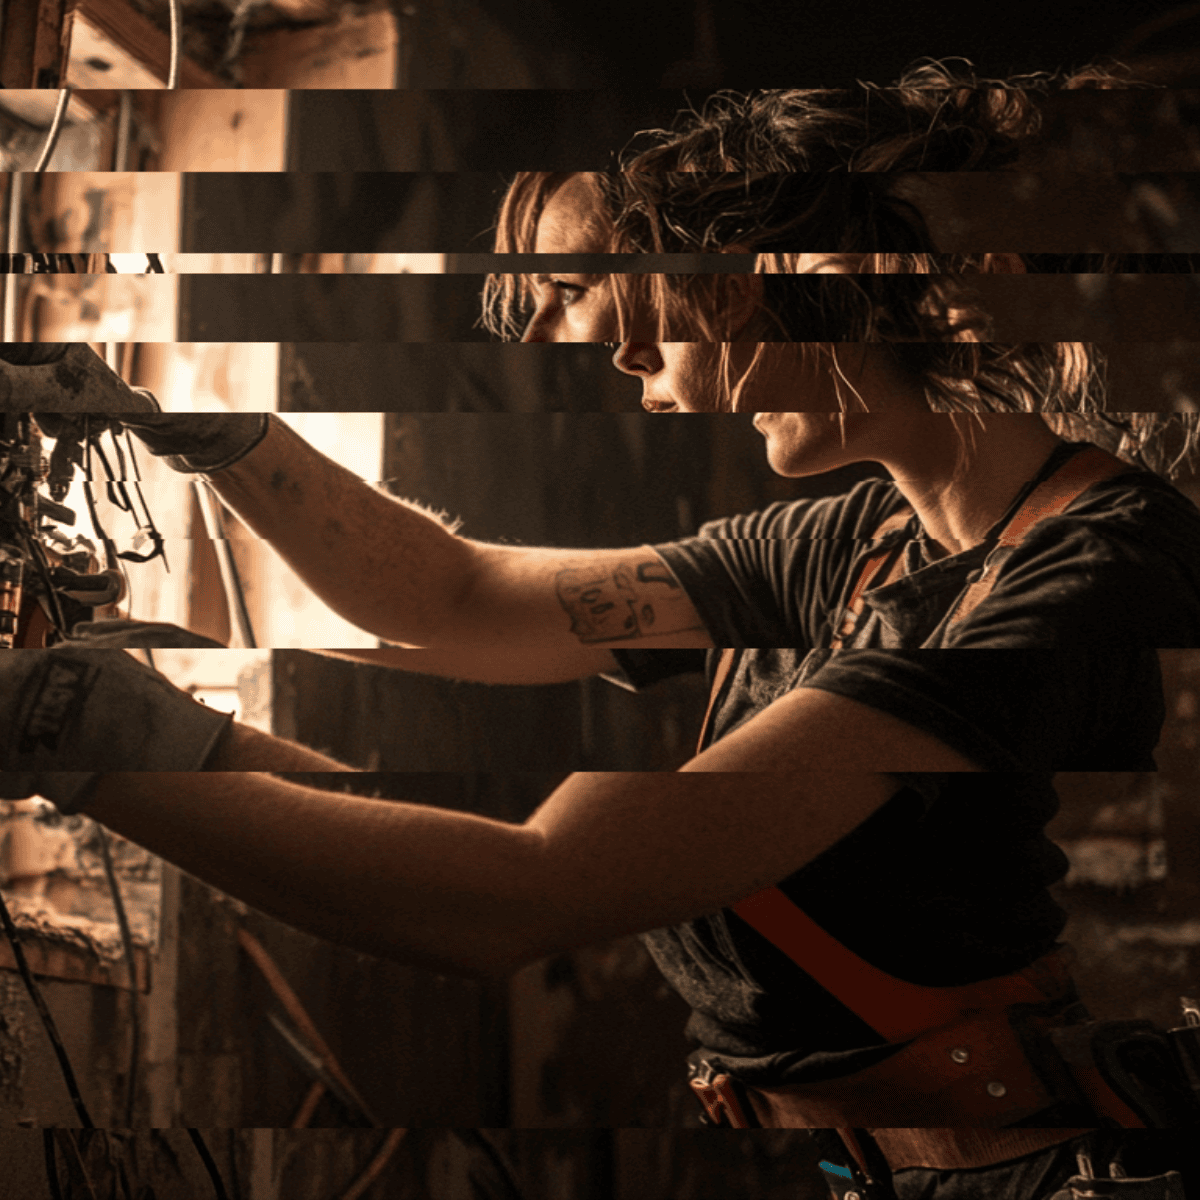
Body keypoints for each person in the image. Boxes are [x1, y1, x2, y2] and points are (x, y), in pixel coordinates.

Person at [5, 63, 1200, 1199]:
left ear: (780, 275)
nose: (633, 362)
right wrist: (200, 433)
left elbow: (527, 894)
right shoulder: (863, 538)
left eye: (658, 310)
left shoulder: (1075, 580)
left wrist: (84, 732)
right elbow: (456, 598)